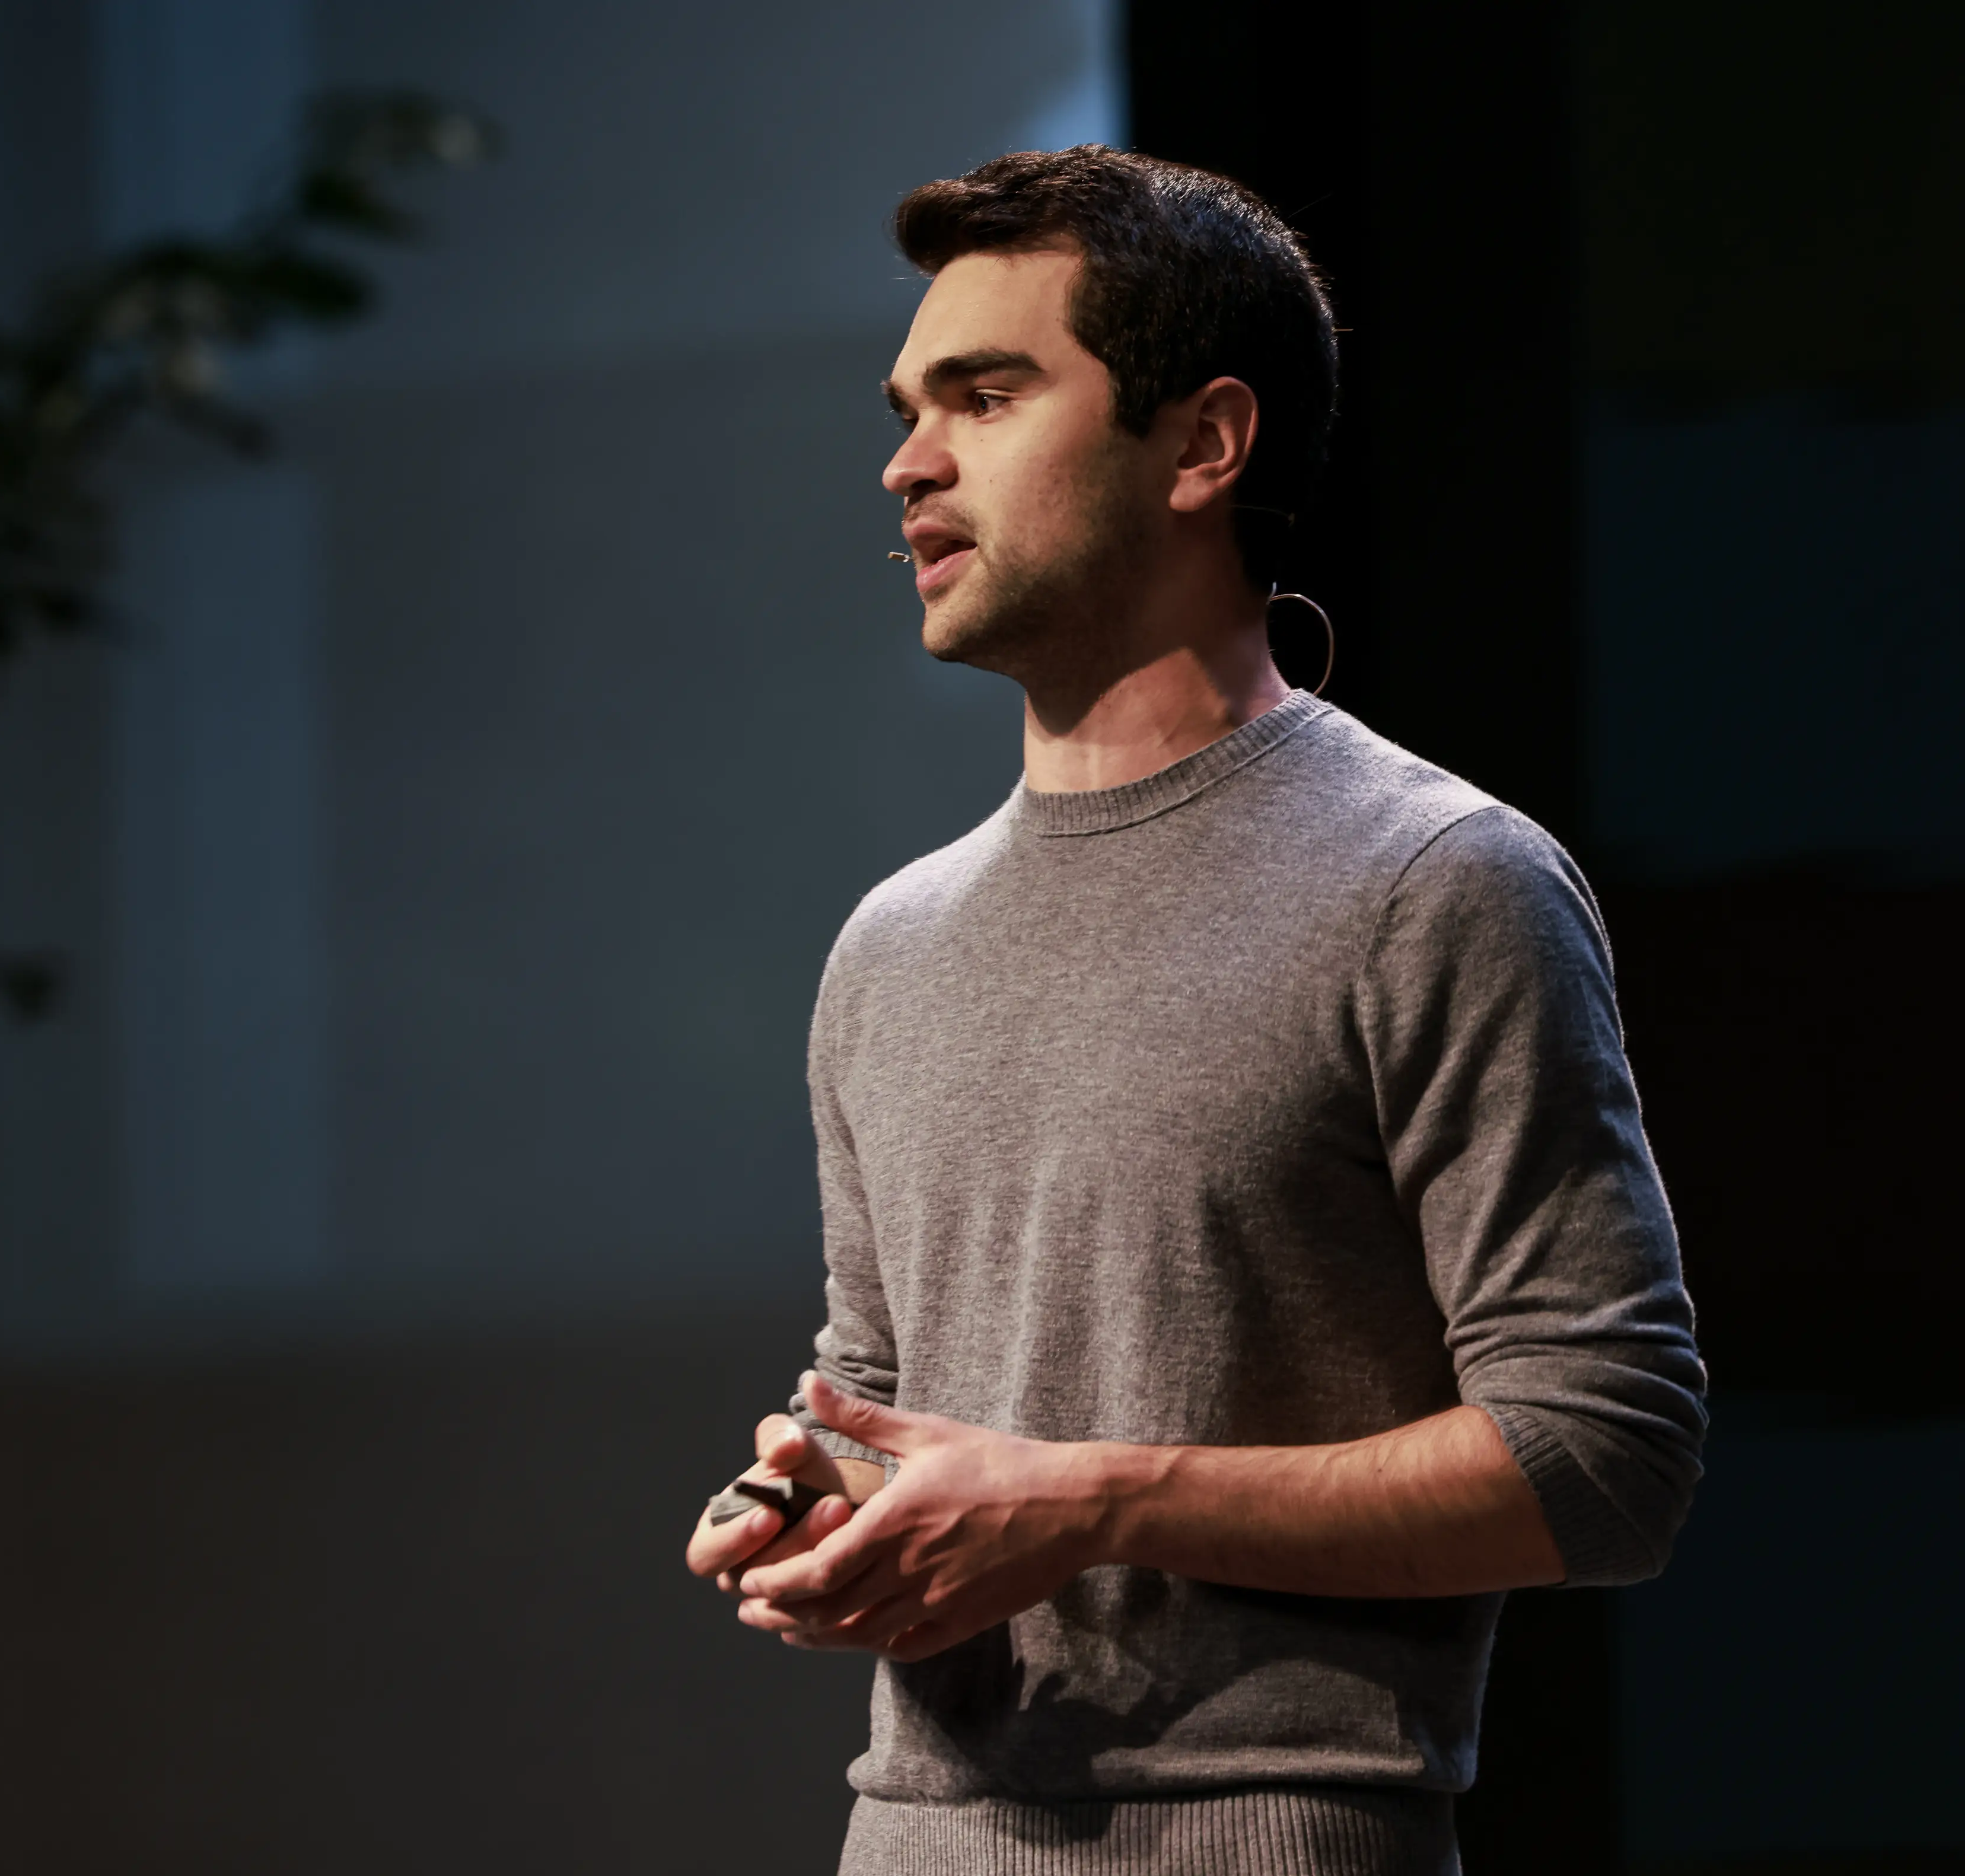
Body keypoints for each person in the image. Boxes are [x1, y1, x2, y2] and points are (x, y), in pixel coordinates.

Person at [683, 146, 1705, 1876]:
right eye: (909, 406)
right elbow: (884, 1391)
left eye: (986, 395)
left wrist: (1083, 1501)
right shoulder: (892, 941)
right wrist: (809, 1495)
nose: (908, 462)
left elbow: (1606, 1457)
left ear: (1203, 445)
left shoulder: (1432, 880)